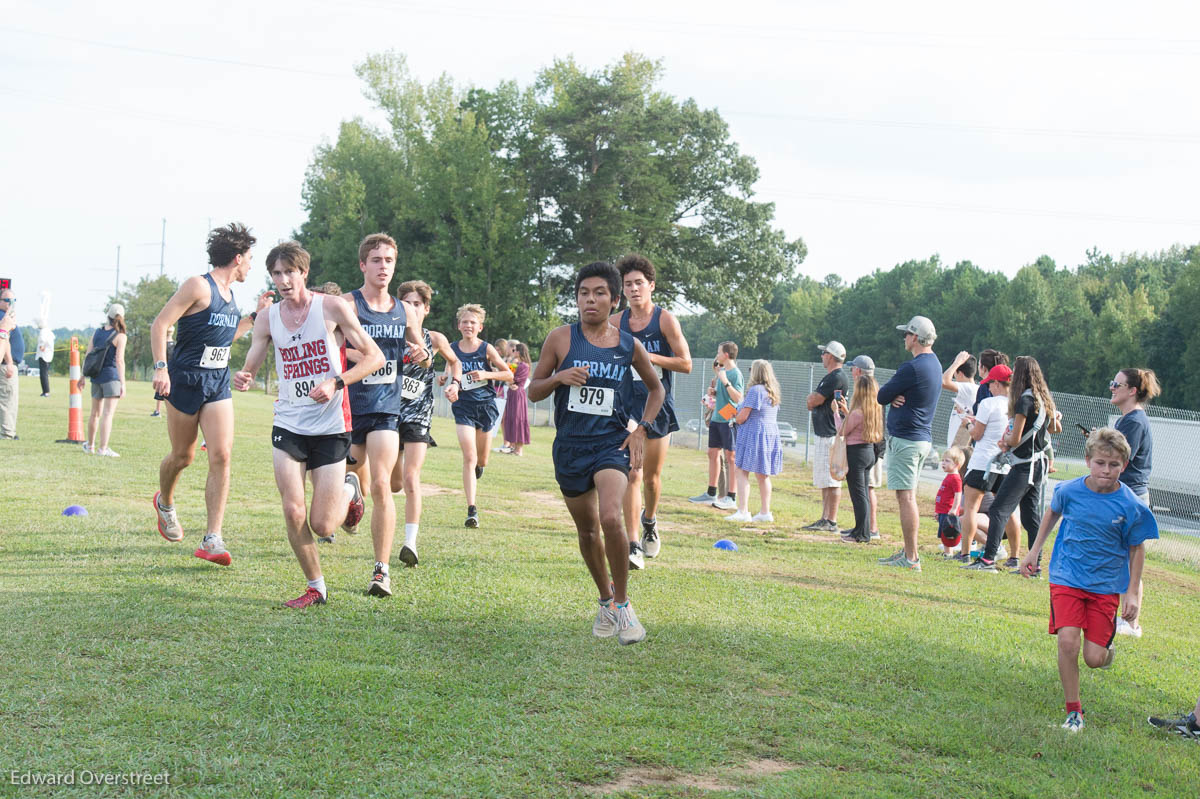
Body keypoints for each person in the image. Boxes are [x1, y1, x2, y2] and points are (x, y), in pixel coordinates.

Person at [233, 241, 382, 608]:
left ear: (303, 273)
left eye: (289, 272)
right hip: (289, 422)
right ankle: (316, 586)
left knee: (324, 525)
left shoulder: (331, 307)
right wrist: (246, 375)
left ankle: (350, 490)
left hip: (330, 426)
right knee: (292, 509)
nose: (283, 280)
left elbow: (374, 357)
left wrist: (337, 382)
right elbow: (254, 356)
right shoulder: (268, 317)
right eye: (276, 274)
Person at [527, 261, 664, 645]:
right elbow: (532, 390)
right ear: (577, 298)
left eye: (599, 293)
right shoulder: (560, 339)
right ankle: (604, 598)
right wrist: (558, 378)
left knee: (611, 517)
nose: (590, 299)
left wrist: (642, 429)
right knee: (587, 530)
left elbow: (657, 390)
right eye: (584, 293)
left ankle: (623, 605)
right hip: (570, 447)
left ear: (614, 299)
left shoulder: (627, 344)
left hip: (610, 444)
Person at [1018, 427, 1158, 733]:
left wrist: (1132, 593)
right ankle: (1074, 713)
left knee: (1094, 658)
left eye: (1114, 465)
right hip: (1067, 577)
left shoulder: (1131, 505)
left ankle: (1105, 652)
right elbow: (1052, 514)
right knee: (1068, 642)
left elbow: (1137, 548)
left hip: (1106, 586)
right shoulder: (1069, 491)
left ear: (1124, 465)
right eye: (1100, 463)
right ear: (1087, 461)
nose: (1106, 470)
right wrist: (1034, 551)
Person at [150, 222, 271, 566]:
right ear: (237, 258)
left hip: (216, 383)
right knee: (183, 457)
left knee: (221, 454)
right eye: (249, 258)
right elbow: (160, 324)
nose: (250, 264)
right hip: (184, 380)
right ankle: (165, 503)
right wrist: (161, 367)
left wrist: (254, 316)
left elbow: (225, 337)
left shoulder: (232, 296)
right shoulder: (197, 286)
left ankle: (212, 538)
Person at [340, 234, 429, 595]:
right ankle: (349, 491)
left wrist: (420, 353)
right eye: (376, 260)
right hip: (347, 408)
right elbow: (332, 349)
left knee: (382, 484)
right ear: (363, 265)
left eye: (389, 260)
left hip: (385, 408)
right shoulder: (346, 304)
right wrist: (362, 359)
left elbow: (419, 347)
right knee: (330, 506)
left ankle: (381, 570)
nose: (383, 267)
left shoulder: (404, 310)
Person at [616, 253, 692, 567]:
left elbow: (685, 363)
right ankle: (633, 544)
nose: (634, 289)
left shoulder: (665, 320)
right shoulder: (615, 321)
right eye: (628, 284)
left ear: (651, 286)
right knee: (631, 473)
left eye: (639, 283)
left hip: (657, 402)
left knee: (651, 478)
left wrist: (647, 357)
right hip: (625, 405)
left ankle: (650, 521)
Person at [387, 279, 461, 572]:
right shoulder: (389, 334)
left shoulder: (436, 339)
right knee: (393, 483)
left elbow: (455, 362)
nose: (412, 308)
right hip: (389, 413)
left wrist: (454, 383)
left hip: (419, 413)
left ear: (426, 309)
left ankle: (410, 543)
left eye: (417, 304)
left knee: (411, 478)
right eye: (407, 303)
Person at [965, 356, 1062, 573]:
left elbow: (1015, 438)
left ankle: (988, 560)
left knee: (999, 509)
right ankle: (1034, 564)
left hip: (1024, 465)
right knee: (1030, 517)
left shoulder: (1024, 401)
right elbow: (1055, 429)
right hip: (1039, 465)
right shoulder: (1043, 399)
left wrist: (1005, 441)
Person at [876, 316, 942, 571]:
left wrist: (893, 396)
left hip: (907, 440)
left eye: (906, 334)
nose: (904, 338)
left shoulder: (912, 367)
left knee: (906, 498)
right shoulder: (934, 364)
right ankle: (907, 550)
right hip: (920, 438)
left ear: (915, 337)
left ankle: (911, 557)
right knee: (908, 496)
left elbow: (882, 395)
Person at [449, 304, 513, 528]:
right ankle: (472, 510)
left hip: (486, 406)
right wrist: (445, 382)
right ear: (459, 325)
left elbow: (507, 374)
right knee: (469, 456)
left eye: (472, 323)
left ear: (480, 327)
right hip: (463, 407)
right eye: (465, 322)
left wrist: (485, 373)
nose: (468, 325)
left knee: (481, 460)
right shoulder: (452, 348)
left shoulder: (486, 348)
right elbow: (450, 370)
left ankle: (479, 466)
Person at [1110, 367, 1160, 638]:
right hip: (1126, 494)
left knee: (1131, 563)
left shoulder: (1134, 422)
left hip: (1132, 497)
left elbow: (1122, 459)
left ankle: (1131, 624)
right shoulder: (1127, 420)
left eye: (1116, 384)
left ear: (1132, 391)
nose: (1112, 388)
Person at [956, 364, 1016, 564]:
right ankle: (1015, 556)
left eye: (990, 383)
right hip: (1005, 464)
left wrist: (967, 423)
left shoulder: (988, 403)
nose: (989, 388)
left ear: (998, 384)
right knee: (1008, 510)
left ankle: (964, 553)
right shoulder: (1015, 405)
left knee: (971, 508)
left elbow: (977, 434)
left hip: (983, 462)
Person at [727, 359, 783, 523]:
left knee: (741, 470)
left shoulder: (755, 390)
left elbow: (743, 417)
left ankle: (743, 511)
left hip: (754, 434)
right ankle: (765, 512)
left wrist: (734, 418)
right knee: (762, 474)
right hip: (769, 434)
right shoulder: (771, 391)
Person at [688, 342, 742, 510]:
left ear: (726, 355)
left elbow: (738, 398)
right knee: (712, 453)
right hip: (717, 418)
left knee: (730, 457)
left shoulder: (735, 374)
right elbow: (725, 395)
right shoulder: (721, 372)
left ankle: (731, 497)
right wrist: (714, 393)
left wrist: (725, 383)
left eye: (719, 352)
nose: (717, 355)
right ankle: (711, 492)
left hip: (728, 419)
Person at [803, 341, 849, 532]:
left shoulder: (836, 377)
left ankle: (831, 520)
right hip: (824, 433)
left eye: (824, 354)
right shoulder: (830, 376)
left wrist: (812, 399)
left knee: (832, 479)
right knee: (824, 479)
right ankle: (824, 517)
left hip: (831, 434)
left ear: (830, 356)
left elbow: (814, 400)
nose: (822, 356)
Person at [835, 370, 883, 543]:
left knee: (859, 495)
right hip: (868, 452)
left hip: (856, 454)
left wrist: (836, 413)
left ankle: (862, 534)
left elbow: (842, 430)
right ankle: (861, 528)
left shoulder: (857, 413)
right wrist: (847, 411)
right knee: (863, 493)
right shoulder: (873, 411)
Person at [79, 303, 127, 456]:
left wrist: (82, 376)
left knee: (95, 414)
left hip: (96, 377)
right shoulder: (121, 336)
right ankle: (103, 449)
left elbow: (88, 355)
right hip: (112, 377)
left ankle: (90, 446)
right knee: (108, 414)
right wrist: (123, 383)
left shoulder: (97, 333)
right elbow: (119, 360)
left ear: (108, 316)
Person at [942, 350, 978, 451]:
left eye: (955, 373)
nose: (954, 377)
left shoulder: (969, 389)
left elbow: (944, 381)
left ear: (960, 373)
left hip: (959, 448)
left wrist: (957, 363)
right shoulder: (973, 389)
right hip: (958, 447)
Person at [501, 341, 531, 456]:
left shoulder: (524, 366)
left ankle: (519, 449)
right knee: (511, 418)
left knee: (518, 419)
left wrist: (509, 381)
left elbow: (514, 379)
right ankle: (513, 446)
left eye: (514, 350)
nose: (513, 352)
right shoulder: (517, 364)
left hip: (518, 395)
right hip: (512, 394)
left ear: (519, 352)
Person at [933, 447, 965, 556]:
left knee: (947, 532)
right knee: (943, 532)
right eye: (943, 460)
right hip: (942, 511)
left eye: (947, 461)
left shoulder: (956, 478)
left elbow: (958, 495)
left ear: (956, 464)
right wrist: (937, 511)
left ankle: (948, 553)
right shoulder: (949, 476)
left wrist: (954, 509)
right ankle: (947, 552)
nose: (943, 463)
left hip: (948, 511)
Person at [0, 288, 22, 439]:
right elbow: (4, 340)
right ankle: (7, 433)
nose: (10, 304)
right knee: (8, 400)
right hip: (6, 366)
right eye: (7, 300)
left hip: (8, 364)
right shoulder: (3, 318)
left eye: (13, 300)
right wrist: (9, 362)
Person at [150, 325, 175, 417]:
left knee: (160, 392)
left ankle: (158, 411)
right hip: (173, 371)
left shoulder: (162, 345)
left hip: (164, 371)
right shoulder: (175, 345)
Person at [37, 316, 54, 398]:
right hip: (49, 355)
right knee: (45, 374)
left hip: (43, 355)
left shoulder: (43, 331)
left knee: (43, 374)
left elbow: (42, 341)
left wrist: (41, 346)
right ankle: (45, 391)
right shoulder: (49, 331)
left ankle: (46, 391)